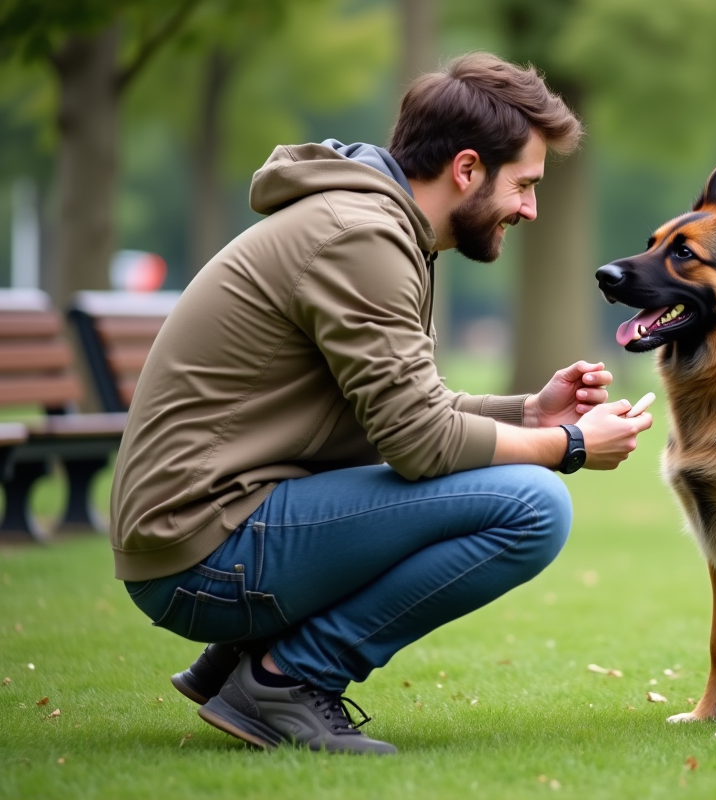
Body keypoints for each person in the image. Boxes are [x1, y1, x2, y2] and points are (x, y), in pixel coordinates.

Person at [111, 52, 653, 755]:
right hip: (202, 553)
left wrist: (529, 414)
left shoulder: (374, 225)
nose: (531, 208)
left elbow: (405, 409)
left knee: (520, 480)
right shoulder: (361, 237)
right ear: (466, 169)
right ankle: (287, 678)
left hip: (215, 526)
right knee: (533, 505)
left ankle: (251, 656)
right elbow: (420, 443)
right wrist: (570, 447)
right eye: (523, 184)